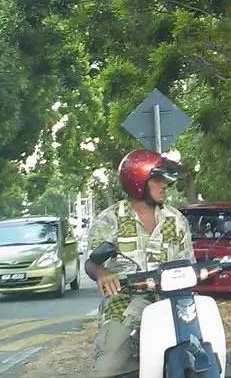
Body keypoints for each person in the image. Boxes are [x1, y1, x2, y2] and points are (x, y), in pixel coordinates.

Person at [85, 149, 196, 378]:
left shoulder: (176, 221)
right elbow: (91, 263)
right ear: (137, 182)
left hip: (172, 302)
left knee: (198, 354)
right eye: (157, 180)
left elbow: (188, 264)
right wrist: (102, 272)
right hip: (125, 302)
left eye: (164, 180)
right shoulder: (111, 219)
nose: (164, 185)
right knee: (106, 368)